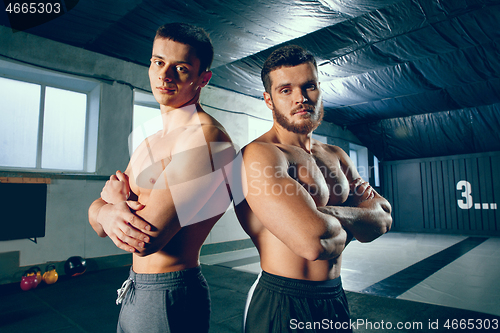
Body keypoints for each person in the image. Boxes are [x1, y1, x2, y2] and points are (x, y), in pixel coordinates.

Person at [234, 45, 392, 332]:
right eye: (286, 90)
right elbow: (313, 242)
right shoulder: (260, 155)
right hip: (283, 301)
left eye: (309, 86)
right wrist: (354, 217)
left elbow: (383, 218)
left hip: (335, 297)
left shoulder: (336, 154)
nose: (301, 98)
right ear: (268, 100)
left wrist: (322, 214)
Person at [88, 23, 235, 333]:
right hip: (135, 287)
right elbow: (99, 225)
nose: (164, 75)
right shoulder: (150, 141)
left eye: (180, 68)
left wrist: (112, 203)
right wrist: (104, 210)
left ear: (202, 78)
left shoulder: (207, 139)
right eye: (158, 62)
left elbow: (145, 240)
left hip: (170, 292)